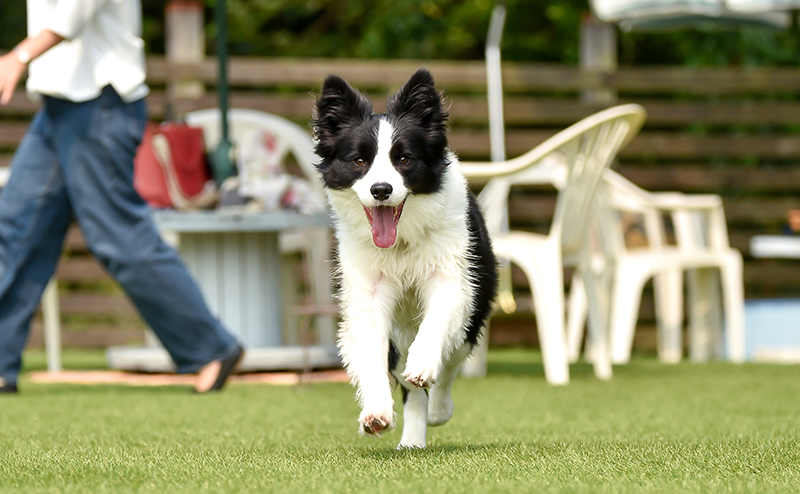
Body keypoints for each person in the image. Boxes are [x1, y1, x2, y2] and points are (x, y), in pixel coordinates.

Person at [0, 0, 243, 394]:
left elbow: (77, 9)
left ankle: (212, 347)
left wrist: (19, 55)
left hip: (101, 105)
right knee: (17, 223)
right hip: (56, 107)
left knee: (117, 236)